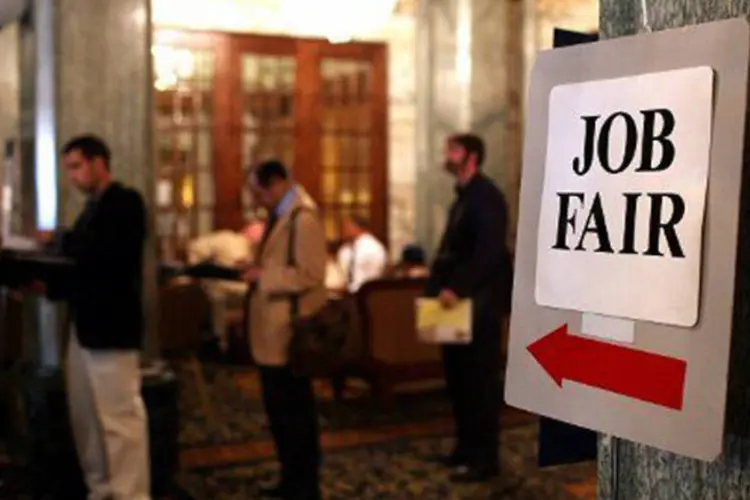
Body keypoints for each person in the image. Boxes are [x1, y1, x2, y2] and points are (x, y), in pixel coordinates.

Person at [36, 135, 151, 499]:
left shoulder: (125, 202)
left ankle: (131, 494)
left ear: (99, 162)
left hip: (111, 328)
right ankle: (101, 488)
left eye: (75, 166)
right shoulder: (92, 208)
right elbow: (83, 266)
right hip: (85, 327)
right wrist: (48, 283)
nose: (71, 176)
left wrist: (59, 241)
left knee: (120, 420)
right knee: (86, 418)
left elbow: (103, 257)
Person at [425, 133, 513, 483]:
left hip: (478, 306)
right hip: (453, 304)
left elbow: (488, 254)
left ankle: (484, 459)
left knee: (479, 384)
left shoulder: (486, 196)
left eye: (454, 150)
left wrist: (455, 288)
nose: (447, 155)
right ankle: (464, 449)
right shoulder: (463, 196)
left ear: (471, 156)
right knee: (457, 381)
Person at [243, 160, 326, 500]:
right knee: (280, 414)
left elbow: (311, 274)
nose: (256, 199)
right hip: (271, 332)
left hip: (287, 333)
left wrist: (265, 277)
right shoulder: (280, 215)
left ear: (275, 184)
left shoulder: (302, 219)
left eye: (258, 192)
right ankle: (290, 478)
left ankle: (303, 483)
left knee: (295, 413)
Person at [336, 215, 387, 293]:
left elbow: (373, 275)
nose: (342, 230)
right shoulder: (345, 249)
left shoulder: (373, 247)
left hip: (366, 293)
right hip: (345, 294)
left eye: (346, 226)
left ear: (357, 227)